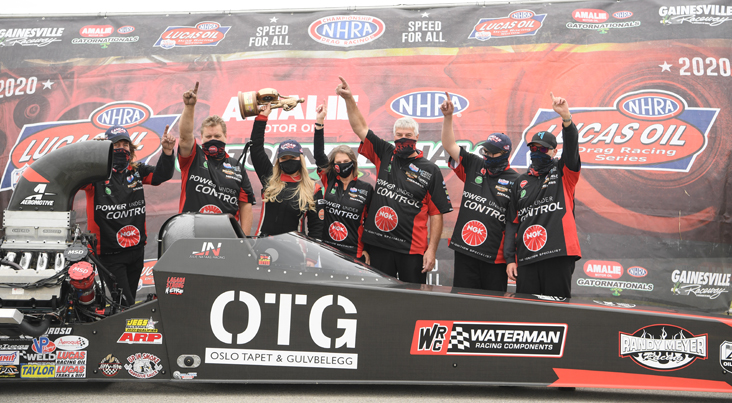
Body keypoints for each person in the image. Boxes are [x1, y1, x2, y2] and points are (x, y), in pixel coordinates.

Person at [336, 76, 452, 283]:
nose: (403, 138)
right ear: (393, 136)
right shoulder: (385, 153)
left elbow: (436, 214)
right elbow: (360, 128)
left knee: (413, 298)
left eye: (408, 134)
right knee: (380, 297)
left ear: (417, 137)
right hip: (379, 245)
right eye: (399, 135)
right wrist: (348, 99)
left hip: (412, 249)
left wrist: (431, 250)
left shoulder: (431, 170)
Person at [82, 125, 176, 306]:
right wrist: (92, 155)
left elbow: (161, 175)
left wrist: (167, 151)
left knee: (128, 303)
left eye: (125, 145)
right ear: (106, 148)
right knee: (125, 304)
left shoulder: (136, 170)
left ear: (131, 149)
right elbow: (72, 178)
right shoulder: (95, 176)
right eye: (116, 145)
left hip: (136, 250)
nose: (121, 148)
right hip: (109, 253)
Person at [440, 92, 519, 291]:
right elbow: (449, 145)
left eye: (493, 153)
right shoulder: (475, 164)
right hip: (465, 249)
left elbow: (515, 222)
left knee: (491, 304)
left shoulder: (516, 181)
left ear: (505, 154)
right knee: (462, 301)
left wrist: (511, 257)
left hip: (495, 257)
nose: (488, 156)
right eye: (486, 151)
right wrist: (448, 117)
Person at [505, 92, 581, 298]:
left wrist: (566, 118)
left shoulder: (564, 172)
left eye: (543, 149)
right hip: (527, 256)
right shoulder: (520, 181)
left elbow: (572, 149)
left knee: (556, 311)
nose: (537, 152)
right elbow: (512, 222)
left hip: (558, 254)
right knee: (526, 310)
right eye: (534, 148)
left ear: (554, 152)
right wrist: (510, 258)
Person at [177, 82, 255, 234]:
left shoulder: (237, 167)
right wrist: (189, 107)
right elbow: (185, 138)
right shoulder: (193, 157)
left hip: (227, 236)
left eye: (217, 136)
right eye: (208, 136)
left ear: (226, 137)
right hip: (191, 233)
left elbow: (246, 205)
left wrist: (244, 241)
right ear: (201, 138)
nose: (213, 140)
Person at [312, 101, 374, 264]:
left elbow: (370, 223)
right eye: (338, 163)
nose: (342, 165)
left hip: (354, 253)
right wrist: (320, 121)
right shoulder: (329, 179)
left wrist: (368, 249)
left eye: (346, 161)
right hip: (328, 251)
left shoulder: (366, 188)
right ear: (333, 165)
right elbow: (318, 155)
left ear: (353, 162)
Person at [250, 103, 322, 237]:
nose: (288, 160)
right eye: (284, 158)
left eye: (292, 157)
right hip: (263, 244)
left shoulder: (313, 188)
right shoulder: (270, 177)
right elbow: (256, 149)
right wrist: (262, 118)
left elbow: (316, 228)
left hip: (294, 246)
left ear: (300, 159)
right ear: (279, 161)